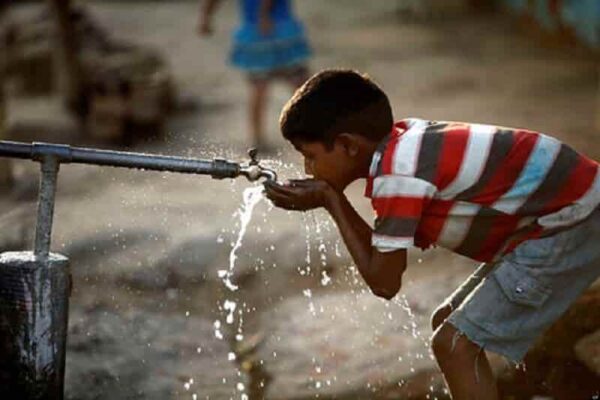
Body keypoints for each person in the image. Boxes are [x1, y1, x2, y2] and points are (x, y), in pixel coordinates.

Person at [264, 69, 600, 400]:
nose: (309, 168)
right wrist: (330, 197)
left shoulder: (399, 176)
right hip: (562, 214)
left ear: (348, 146)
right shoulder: (402, 146)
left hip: (574, 219)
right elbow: (383, 261)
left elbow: (384, 281)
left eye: (310, 156)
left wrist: (331, 200)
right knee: (447, 323)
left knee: (454, 345)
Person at [198, 0, 311, 151]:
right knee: (300, 86)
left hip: (259, 32)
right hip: (277, 30)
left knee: (263, 87)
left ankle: (259, 138)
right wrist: (263, 15)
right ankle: (313, 129)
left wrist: (206, 17)